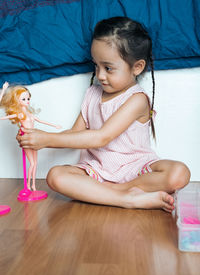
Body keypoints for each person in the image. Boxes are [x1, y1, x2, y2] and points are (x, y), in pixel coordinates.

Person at [16, 17, 190, 211]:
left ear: (137, 67)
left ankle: (117, 191)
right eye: (96, 66)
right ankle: (126, 198)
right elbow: (75, 133)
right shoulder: (92, 94)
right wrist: (35, 138)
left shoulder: (137, 99)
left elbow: (102, 137)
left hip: (136, 171)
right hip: (96, 171)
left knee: (179, 173)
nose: (100, 75)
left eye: (108, 68)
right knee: (55, 176)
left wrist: (46, 139)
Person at [0, 82, 61, 191]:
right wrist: (3, 91)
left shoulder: (29, 114)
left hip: (35, 138)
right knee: (32, 163)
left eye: (28, 98)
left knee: (35, 163)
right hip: (27, 139)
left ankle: (33, 185)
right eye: (23, 99)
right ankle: (28, 185)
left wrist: (54, 125)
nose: (27, 101)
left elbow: (41, 121)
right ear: (17, 100)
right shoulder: (20, 114)